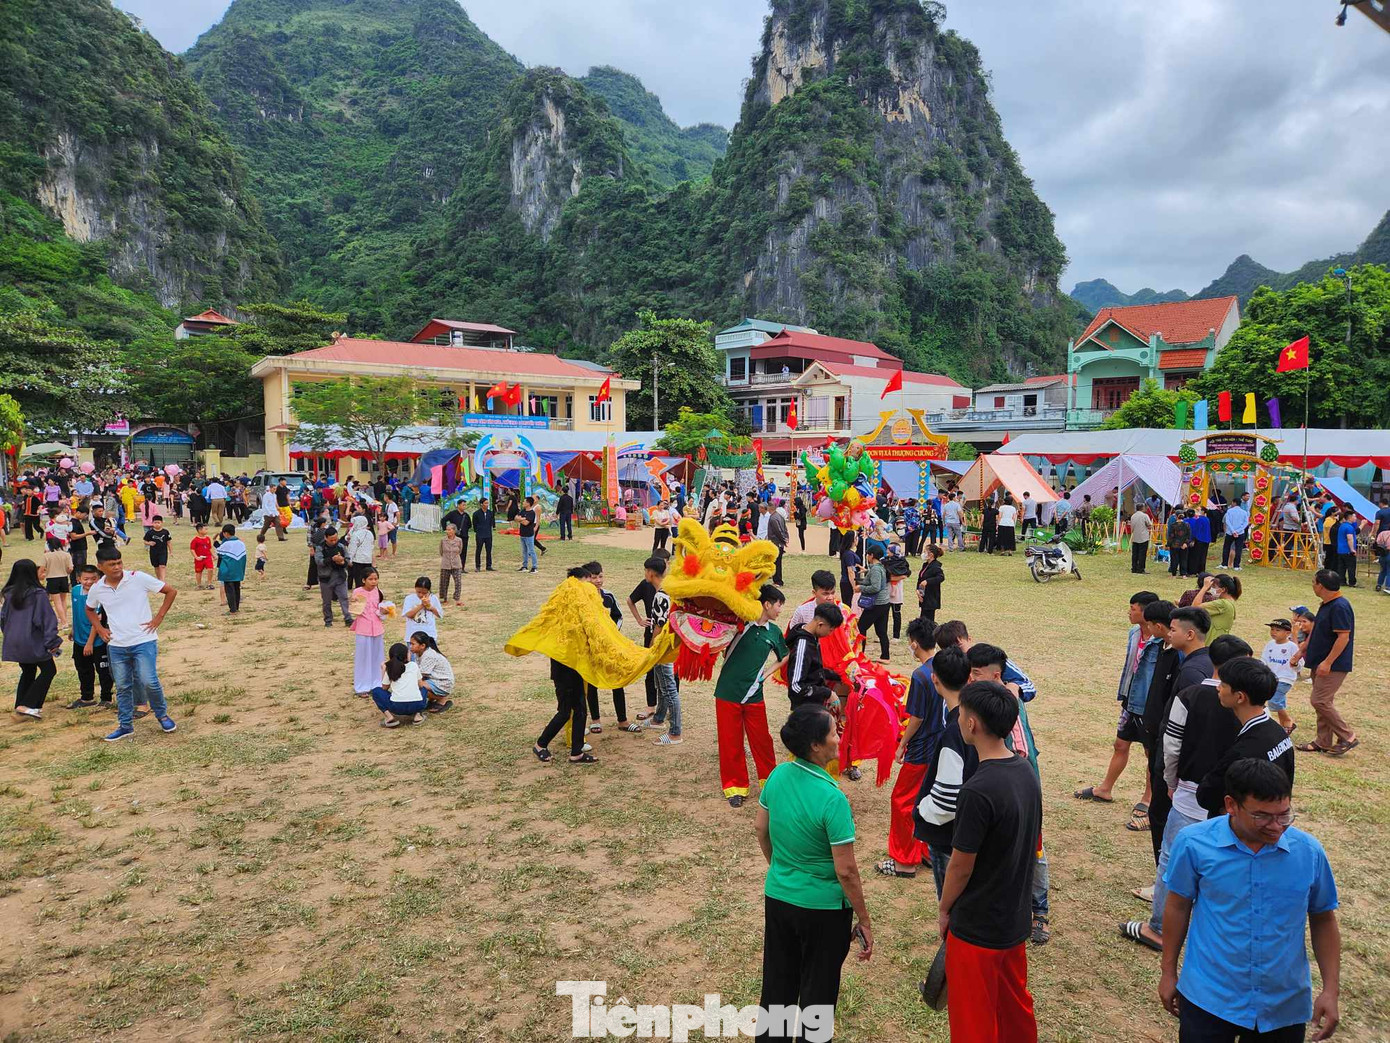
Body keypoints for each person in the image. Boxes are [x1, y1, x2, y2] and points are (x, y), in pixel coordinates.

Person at [1159, 758, 1340, 1043]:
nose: (1276, 826)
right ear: (1231, 805)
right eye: (1262, 816)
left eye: (1284, 815)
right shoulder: (1194, 844)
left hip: (1282, 1006)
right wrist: (1168, 972)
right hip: (1209, 997)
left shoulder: (1309, 852)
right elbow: (1177, 906)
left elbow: (1324, 918)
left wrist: (1330, 989)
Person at [1122, 634, 1253, 952]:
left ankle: (1159, 928)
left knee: (1172, 860)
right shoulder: (1247, 704)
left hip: (1188, 795)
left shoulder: (1190, 696)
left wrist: (1169, 782)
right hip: (1230, 803)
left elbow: (1171, 747)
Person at [754, 704, 872, 1042]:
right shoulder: (832, 798)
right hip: (823, 911)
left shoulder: (778, 775)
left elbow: (761, 829)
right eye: (834, 732)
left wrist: (781, 868)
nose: (839, 737)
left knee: (777, 984)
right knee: (818, 993)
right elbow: (846, 871)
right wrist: (864, 918)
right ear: (816, 746)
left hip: (779, 898)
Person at [936, 680, 1042, 1043]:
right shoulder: (1025, 770)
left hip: (977, 927)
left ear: (971, 724)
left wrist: (945, 908)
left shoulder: (977, 790)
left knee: (973, 1019)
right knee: (1014, 1009)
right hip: (1013, 920)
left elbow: (961, 865)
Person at [877, 620, 948, 880]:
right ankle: (927, 850)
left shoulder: (921, 675)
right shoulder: (945, 666)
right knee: (929, 798)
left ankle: (904, 861)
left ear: (915, 643)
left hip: (921, 750)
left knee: (903, 801)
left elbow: (916, 718)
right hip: (941, 747)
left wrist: (902, 744)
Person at [1074, 591, 1160, 808]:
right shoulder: (1134, 633)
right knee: (1120, 744)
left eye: (1133, 609)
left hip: (1149, 705)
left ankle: (1148, 799)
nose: (1129, 612)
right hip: (1130, 700)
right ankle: (1105, 789)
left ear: (1146, 612)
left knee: (1151, 753)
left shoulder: (1162, 641)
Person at [85, 545, 177, 741]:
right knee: (123, 686)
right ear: (101, 567)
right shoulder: (97, 588)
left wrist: (158, 617)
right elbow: (89, 609)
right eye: (112, 564)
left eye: (119, 562)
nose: (117, 567)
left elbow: (170, 591)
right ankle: (125, 725)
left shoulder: (138, 578)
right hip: (117, 645)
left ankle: (162, 715)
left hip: (144, 640)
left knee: (149, 681)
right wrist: (100, 629)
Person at [713, 584, 788, 807]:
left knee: (762, 740)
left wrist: (765, 675)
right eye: (779, 605)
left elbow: (784, 656)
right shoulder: (740, 624)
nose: (780, 610)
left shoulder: (774, 632)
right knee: (730, 741)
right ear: (767, 604)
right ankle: (735, 787)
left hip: (754, 694)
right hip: (727, 692)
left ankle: (770, 783)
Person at [911, 645, 975, 894]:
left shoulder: (954, 731)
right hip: (970, 830)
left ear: (934, 679)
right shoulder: (974, 719)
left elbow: (947, 800)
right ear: (969, 678)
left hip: (948, 837)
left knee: (950, 900)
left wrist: (921, 810)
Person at [533, 567, 598, 765]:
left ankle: (576, 752)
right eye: (585, 583)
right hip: (563, 670)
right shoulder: (561, 610)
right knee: (565, 711)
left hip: (576, 667)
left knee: (580, 710)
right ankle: (540, 745)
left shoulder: (579, 610)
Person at [1296, 569, 1356, 757]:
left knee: (1319, 700)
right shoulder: (1326, 604)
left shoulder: (1340, 606)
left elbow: (1343, 637)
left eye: (1314, 583)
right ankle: (1323, 741)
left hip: (1333, 664)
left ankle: (1347, 736)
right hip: (1319, 660)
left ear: (1320, 585)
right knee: (1322, 701)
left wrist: (1328, 662)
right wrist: (1302, 650)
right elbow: (1316, 631)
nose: (1313, 586)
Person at [580, 562, 639, 736]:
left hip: (610, 648)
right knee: (592, 683)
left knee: (617, 681)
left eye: (600, 576)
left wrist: (611, 635)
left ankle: (623, 720)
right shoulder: (582, 600)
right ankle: (595, 720)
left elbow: (618, 617)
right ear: (586, 579)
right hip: (591, 650)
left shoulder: (609, 597)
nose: (598, 580)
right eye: (594, 577)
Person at [2, 559, 62, 721]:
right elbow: (46, 620)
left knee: (28, 670)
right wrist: (52, 642)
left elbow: (3, 619)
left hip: (15, 640)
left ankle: (22, 705)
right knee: (49, 670)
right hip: (33, 640)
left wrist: (10, 635)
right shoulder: (38, 594)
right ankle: (28, 704)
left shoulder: (9, 594)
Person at [628, 556, 672, 723]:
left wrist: (653, 645)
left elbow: (659, 625)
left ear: (651, 573)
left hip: (660, 643)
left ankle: (674, 726)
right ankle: (659, 716)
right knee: (661, 682)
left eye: (646, 571)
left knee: (667, 685)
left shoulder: (661, 594)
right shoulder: (663, 589)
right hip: (663, 640)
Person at [67, 564, 114, 709]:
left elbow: (97, 621)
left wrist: (90, 643)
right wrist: (74, 629)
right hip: (79, 639)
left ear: (99, 579)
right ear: (78, 579)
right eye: (86, 579)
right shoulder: (75, 591)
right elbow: (76, 612)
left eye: (93, 579)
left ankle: (106, 698)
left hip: (97, 640)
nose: (89, 582)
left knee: (103, 670)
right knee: (83, 669)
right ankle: (87, 697)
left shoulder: (100, 594)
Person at [785, 602, 843, 708]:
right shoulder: (803, 645)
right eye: (830, 630)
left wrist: (840, 676)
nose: (830, 634)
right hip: (805, 708)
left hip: (814, 704)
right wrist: (828, 693)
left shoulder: (813, 638)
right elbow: (796, 687)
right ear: (820, 624)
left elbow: (814, 671)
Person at [349, 568, 388, 697]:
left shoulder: (378, 592)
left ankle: (377, 684)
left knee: (377, 657)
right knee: (363, 658)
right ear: (363, 580)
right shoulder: (357, 592)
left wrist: (383, 612)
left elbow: (378, 610)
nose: (373, 582)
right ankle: (362, 686)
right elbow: (355, 610)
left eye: (375, 579)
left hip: (377, 627)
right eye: (370, 579)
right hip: (363, 628)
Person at [370, 642, 426, 728]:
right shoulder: (413, 665)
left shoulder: (390, 667)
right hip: (416, 705)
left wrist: (383, 670)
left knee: (376, 691)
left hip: (397, 707)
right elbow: (421, 685)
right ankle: (417, 715)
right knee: (424, 689)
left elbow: (384, 688)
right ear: (406, 656)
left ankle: (389, 717)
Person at [1260, 619, 1300, 735]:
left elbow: (1299, 664)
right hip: (1271, 678)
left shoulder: (1292, 646)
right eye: (1272, 629)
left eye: (1277, 630)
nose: (1273, 632)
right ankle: (1284, 724)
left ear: (1288, 633)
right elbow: (1264, 660)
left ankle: (1288, 721)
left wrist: (1295, 664)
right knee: (1276, 701)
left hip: (1285, 679)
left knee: (1274, 701)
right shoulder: (1270, 644)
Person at [854, 545, 891, 662]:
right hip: (884, 603)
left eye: (868, 554)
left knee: (861, 627)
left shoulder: (875, 569)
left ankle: (860, 654)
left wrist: (861, 588)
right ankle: (885, 656)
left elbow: (875, 587)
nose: (866, 556)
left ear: (872, 555)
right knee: (881, 631)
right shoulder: (879, 567)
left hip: (876, 604)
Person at [315, 527, 353, 628]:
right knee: (326, 601)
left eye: (335, 539)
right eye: (331, 540)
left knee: (344, 598)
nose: (334, 542)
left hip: (340, 576)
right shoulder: (320, 548)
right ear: (325, 538)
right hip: (326, 578)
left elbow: (347, 559)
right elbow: (319, 561)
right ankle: (328, 620)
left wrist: (343, 562)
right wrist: (332, 559)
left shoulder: (341, 546)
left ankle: (348, 618)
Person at [410, 631, 455, 713]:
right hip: (434, 679)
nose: (410, 647)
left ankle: (441, 699)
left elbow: (420, 674)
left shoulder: (429, 655)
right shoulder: (419, 653)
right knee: (416, 682)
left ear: (422, 646)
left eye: (413, 644)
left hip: (443, 682)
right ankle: (432, 699)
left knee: (415, 685)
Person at [1197, 573, 1241, 642]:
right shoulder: (1228, 603)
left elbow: (1195, 608)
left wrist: (1204, 588)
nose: (1211, 589)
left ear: (1223, 589)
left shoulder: (1222, 604)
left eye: (1214, 586)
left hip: (1210, 644)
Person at [216, 524, 248, 614]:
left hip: (228, 571)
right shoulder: (241, 543)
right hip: (238, 570)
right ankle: (236, 608)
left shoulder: (226, 544)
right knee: (237, 588)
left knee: (229, 590)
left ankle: (232, 610)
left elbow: (218, 552)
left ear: (226, 533)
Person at [42, 538, 73, 630]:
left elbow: (42, 568)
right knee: (63, 600)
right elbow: (70, 568)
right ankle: (63, 618)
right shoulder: (66, 554)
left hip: (52, 579)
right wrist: (66, 572)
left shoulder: (46, 556)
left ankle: (64, 622)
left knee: (57, 602)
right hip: (64, 578)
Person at [402, 576, 444, 642]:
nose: (421, 595)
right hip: (413, 635)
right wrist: (422, 605)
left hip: (429, 635)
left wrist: (431, 608)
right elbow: (409, 615)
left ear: (428, 591)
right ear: (415, 588)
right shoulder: (409, 598)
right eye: (418, 592)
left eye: (424, 593)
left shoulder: (433, 598)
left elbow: (440, 615)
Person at [915, 544, 945, 626]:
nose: (923, 554)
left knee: (928, 621)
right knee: (923, 619)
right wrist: (918, 591)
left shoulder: (935, 566)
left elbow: (941, 577)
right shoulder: (925, 565)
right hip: (924, 596)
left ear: (931, 554)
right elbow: (920, 579)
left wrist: (927, 581)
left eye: (925, 552)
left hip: (931, 597)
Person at [1219, 494, 1250, 570]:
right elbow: (1246, 523)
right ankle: (1236, 565)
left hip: (1230, 532)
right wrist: (1238, 531)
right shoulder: (1244, 512)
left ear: (1234, 503)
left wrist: (1233, 531)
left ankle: (1224, 564)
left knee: (1226, 548)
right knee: (1238, 549)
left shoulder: (1230, 511)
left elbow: (1227, 521)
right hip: (1240, 533)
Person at [345, 514, 375, 588]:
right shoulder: (370, 533)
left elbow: (352, 548)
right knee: (367, 577)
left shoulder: (356, 534)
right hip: (368, 559)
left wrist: (349, 559)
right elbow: (372, 546)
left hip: (358, 559)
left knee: (358, 578)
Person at [439, 523, 464, 606]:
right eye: (447, 530)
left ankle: (457, 598)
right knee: (444, 582)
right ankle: (444, 598)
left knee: (458, 582)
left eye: (449, 530)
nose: (448, 531)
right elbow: (441, 552)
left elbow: (460, 551)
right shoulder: (443, 540)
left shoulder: (459, 540)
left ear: (454, 531)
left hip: (456, 563)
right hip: (445, 564)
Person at [1334, 507, 1359, 588]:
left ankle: (1342, 581)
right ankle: (1352, 582)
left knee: (1341, 567)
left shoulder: (1342, 526)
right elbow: (1350, 539)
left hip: (1340, 550)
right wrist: (1352, 549)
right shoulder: (1349, 527)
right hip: (1348, 550)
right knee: (1351, 567)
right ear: (1350, 517)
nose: (1355, 518)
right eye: (1354, 516)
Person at [767, 502, 789, 586]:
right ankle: (776, 579)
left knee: (777, 562)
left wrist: (783, 539)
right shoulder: (779, 516)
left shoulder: (773, 518)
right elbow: (785, 529)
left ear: (770, 508)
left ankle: (778, 581)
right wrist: (786, 538)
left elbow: (778, 531)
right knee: (777, 562)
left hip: (776, 542)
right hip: (779, 542)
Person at [517, 496, 539, 573]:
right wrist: (522, 519)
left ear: (528, 503)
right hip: (522, 534)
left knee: (531, 551)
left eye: (524, 501)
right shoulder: (523, 511)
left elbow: (526, 523)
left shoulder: (532, 513)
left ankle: (534, 567)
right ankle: (524, 566)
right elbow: (516, 518)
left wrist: (520, 519)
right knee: (524, 551)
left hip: (529, 534)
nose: (523, 503)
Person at [1130, 506, 1152, 574]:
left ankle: (1134, 568)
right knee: (1142, 554)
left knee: (1135, 554)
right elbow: (1149, 525)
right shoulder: (1145, 516)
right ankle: (1141, 569)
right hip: (1143, 537)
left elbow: (1131, 526)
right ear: (1142, 508)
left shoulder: (1133, 516)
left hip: (1135, 536)